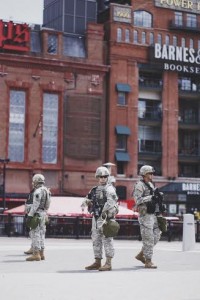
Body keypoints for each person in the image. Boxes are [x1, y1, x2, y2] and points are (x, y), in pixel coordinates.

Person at [83, 166, 118, 271]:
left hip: (106, 217)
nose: (102, 178)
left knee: (107, 239)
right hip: (96, 216)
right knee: (96, 239)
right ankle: (97, 261)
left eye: (105, 176)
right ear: (97, 177)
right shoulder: (95, 189)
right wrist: (85, 202)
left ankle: (108, 263)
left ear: (107, 177)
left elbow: (111, 202)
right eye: (100, 177)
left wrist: (103, 213)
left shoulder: (110, 189)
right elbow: (88, 198)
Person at [133, 165, 162, 269]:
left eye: (152, 173)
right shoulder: (139, 185)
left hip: (153, 214)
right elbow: (137, 200)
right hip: (145, 215)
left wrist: (158, 199)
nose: (152, 175)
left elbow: (153, 199)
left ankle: (141, 254)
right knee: (148, 238)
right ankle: (148, 261)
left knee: (157, 235)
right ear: (144, 174)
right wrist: (151, 197)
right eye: (150, 173)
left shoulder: (150, 184)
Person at [25, 174, 51, 262]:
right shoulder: (47, 191)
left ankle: (36, 254)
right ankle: (42, 253)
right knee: (42, 234)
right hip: (43, 213)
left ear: (36, 181)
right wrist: (45, 212)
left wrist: (30, 215)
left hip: (37, 214)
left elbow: (35, 205)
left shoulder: (37, 191)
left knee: (35, 233)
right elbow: (48, 204)